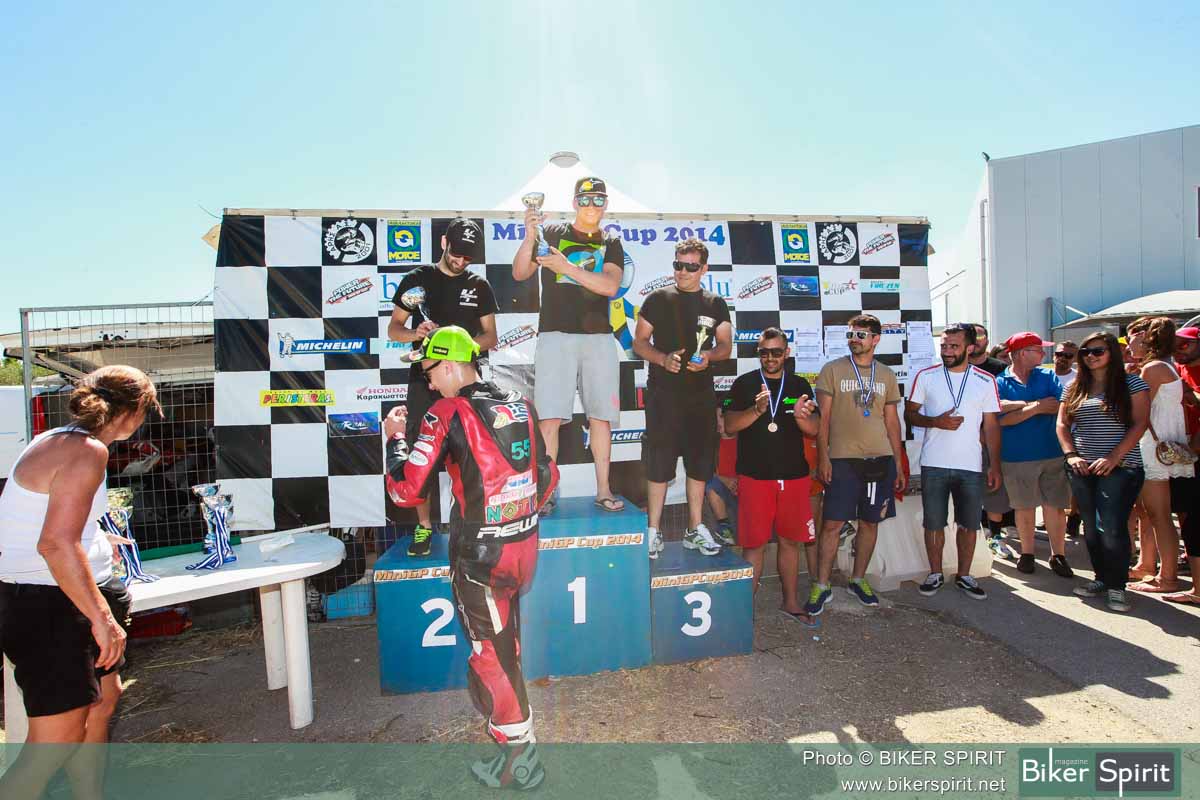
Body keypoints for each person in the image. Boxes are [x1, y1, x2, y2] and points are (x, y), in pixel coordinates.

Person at [382, 326, 557, 790]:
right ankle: (518, 747)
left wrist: (394, 440)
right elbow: (548, 478)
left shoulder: (446, 412)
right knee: (506, 648)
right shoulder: (520, 402)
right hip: (523, 549)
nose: (428, 382)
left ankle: (522, 762)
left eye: (429, 372)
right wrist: (513, 516)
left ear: (449, 365)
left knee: (489, 658)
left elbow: (407, 490)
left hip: (481, 560)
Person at [0, 366, 160, 800]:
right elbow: (54, 544)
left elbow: (44, 521)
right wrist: (103, 619)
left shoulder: (61, 440)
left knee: (101, 706)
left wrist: (98, 538)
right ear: (133, 411)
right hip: (48, 605)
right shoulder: (86, 451)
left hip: (63, 596)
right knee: (57, 740)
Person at [512, 176, 624, 515]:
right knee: (549, 418)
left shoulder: (611, 241)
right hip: (555, 335)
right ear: (575, 203)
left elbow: (610, 286)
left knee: (601, 418)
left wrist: (566, 267)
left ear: (606, 204)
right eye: (585, 199)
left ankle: (603, 490)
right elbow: (520, 273)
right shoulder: (552, 233)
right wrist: (530, 236)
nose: (591, 205)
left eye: (598, 199)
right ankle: (546, 492)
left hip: (599, 338)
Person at [388, 217, 499, 556]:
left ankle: (469, 520)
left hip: (465, 383)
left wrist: (460, 347)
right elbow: (394, 329)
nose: (461, 260)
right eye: (456, 252)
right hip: (426, 379)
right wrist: (416, 334)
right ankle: (423, 526)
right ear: (443, 243)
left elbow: (491, 337)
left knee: (469, 450)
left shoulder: (479, 285)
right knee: (420, 450)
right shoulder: (416, 280)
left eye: (468, 256)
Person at [633, 238, 732, 557]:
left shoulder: (715, 303)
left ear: (704, 269)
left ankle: (695, 528)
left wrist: (709, 357)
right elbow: (639, 342)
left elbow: (725, 346)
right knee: (659, 465)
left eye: (691, 266)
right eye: (678, 265)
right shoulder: (657, 298)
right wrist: (663, 359)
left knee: (699, 465)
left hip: (700, 396)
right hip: (663, 395)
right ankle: (653, 531)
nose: (683, 271)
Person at [807, 314, 907, 614]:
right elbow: (823, 420)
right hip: (842, 460)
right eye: (851, 334)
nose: (854, 339)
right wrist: (823, 457)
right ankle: (822, 584)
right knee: (832, 524)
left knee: (870, 522)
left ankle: (858, 579)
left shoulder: (886, 374)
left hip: (879, 460)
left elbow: (892, 422)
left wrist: (899, 463)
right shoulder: (833, 369)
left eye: (861, 335)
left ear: (876, 339)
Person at [722, 328, 820, 623]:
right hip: (756, 477)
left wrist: (802, 417)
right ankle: (744, 611)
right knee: (754, 545)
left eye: (776, 352)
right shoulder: (744, 383)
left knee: (790, 542)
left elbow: (815, 428)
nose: (770, 358)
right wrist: (756, 410)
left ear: (786, 353)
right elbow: (730, 426)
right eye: (764, 352)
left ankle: (790, 603)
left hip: (793, 477)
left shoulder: (800, 384)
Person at [906, 323, 1001, 600]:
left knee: (969, 523)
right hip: (934, 463)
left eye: (954, 346)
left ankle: (965, 575)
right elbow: (910, 414)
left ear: (970, 348)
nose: (947, 351)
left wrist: (995, 465)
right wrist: (935, 422)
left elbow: (991, 426)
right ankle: (935, 573)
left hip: (970, 465)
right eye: (944, 345)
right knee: (933, 522)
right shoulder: (926, 376)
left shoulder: (985, 380)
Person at [1056, 332, 1149, 612]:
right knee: (1091, 528)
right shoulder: (1074, 386)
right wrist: (1071, 455)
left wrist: (1113, 457)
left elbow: (1140, 423)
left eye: (1098, 351)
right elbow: (1062, 424)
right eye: (1085, 352)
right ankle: (1102, 578)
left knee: (1111, 528)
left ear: (1112, 353)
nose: (1090, 356)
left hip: (1121, 467)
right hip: (1082, 467)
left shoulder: (1132, 383)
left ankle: (1117, 586)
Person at [995, 332, 1073, 577]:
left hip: (1052, 453)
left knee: (1055, 507)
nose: (1043, 353)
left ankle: (1058, 555)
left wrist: (1019, 407)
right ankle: (1027, 554)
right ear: (1021, 353)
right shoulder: (999, 382)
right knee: (1024, 507)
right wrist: (1036, 406)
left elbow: (1057, 405)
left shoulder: (1048, 376)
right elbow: (1001, 419)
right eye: (1037, 349)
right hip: (1017, 456)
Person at [1127, 317, 1192, 594]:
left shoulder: (1153, 369)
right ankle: (1147, 565)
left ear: (1145, 338)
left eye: (1132, 337)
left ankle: (1167, 578)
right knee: (1148, 512)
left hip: (1154, 451)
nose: (1128, 344)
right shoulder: (1165, 365)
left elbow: (1136, 411)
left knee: (1159, 514)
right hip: (1161, 448)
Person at [1165, 326, 1200, 605]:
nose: (1179, 349)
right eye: (1174, 345)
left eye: (1185, 344)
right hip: (1182, 455)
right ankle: (1189, 559)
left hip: (1193, 452)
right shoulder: (1175, 370)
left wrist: (1190, 394)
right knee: (1185, 512)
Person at [1052, 341, 1082, 537]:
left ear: (1075, 359)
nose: (1062, 358)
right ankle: (1055, 517)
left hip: (1072, 436)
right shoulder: (1045, 375)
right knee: (1054, 482)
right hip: (1047, 436)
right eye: (1059, 354)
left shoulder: (1078, 379)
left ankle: (1074, 516)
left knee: (1073, 483)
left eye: (1068, 356)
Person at [705, 409, 738, 543]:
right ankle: (725, 529)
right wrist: (724, 480)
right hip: (724, 493)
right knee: (710, 482)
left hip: (746, 492)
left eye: (722, 417)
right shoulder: (711, 444)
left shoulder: (746, 441)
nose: (718, 421)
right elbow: (703, 471)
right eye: (715, 417)